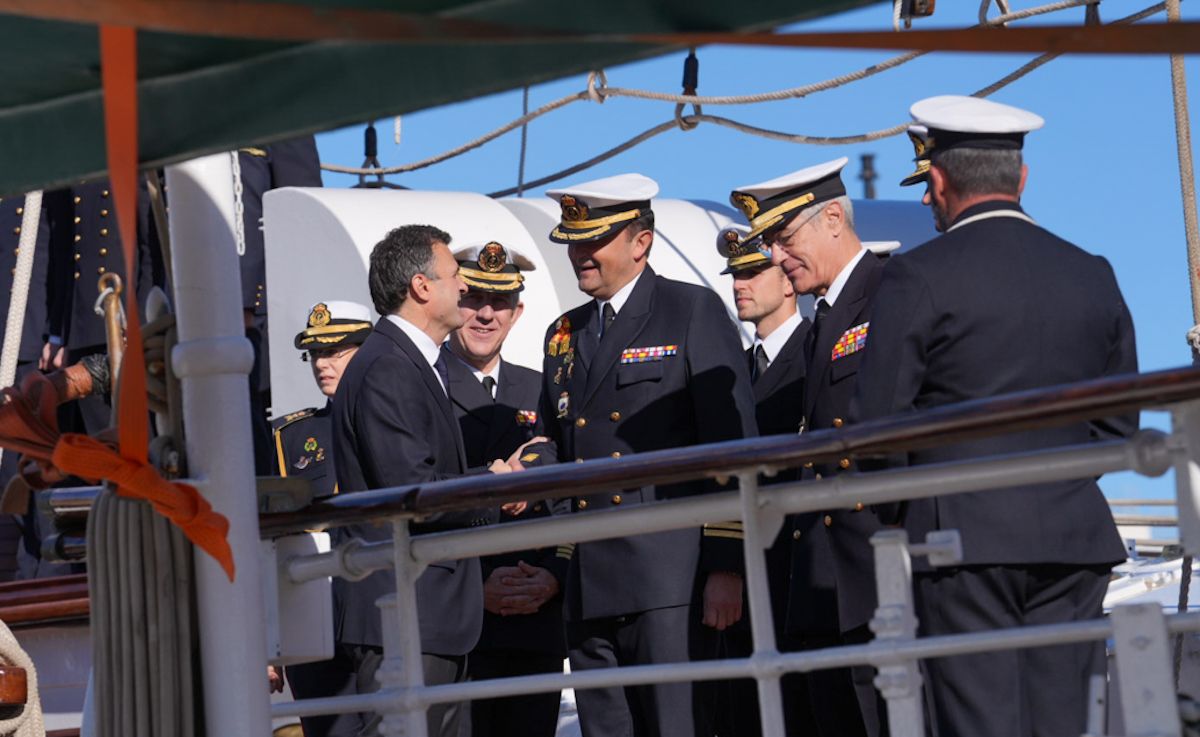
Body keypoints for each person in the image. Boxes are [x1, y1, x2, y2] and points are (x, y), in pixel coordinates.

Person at [849, 95, 1136, 737]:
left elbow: (879, 430)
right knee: (1064, 724)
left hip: (961, 540)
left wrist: (904, 508)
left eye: (927, 185)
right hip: (1074, 541)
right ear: (1021, 178)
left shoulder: (916, 277)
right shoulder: (1093, 274)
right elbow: (1119, 428)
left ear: (940, 179)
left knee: (978, 723)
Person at [538, 173, 757, 737]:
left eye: (594, 241)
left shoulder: (690, 311)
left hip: (670, 581)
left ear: (641, 242)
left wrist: (726, 565)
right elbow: (562, 456)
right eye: (573, 243)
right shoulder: (563, 333)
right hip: (590, 584)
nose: (580, 255)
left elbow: (730, 446)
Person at [329, 224, 506, 737]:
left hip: (426, 615)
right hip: (405, 615)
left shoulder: (407, 362)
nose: (465, 289)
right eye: (455, 276)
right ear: (422, 288)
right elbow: (413, 490)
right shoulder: (388, 366)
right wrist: (496, 484)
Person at [732, 157, 888, 737]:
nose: (775, 256)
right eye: (771, 242)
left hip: (876, 581)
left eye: (785, 237)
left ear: (832, 219)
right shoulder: (826, 318)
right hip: (823, 586)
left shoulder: (891, 294)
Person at [442, 240, 567, 737]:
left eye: (500, 304)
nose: (485, 315)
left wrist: (554, 575)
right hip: (460, 621)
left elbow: (572, 499)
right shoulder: (424, 386)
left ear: (518, 313)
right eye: (474, 300)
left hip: (536, 618)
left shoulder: (545, 389)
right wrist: (474, 589)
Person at [712, 224, 814, 737]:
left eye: (753, 272)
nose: (739, 285)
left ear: (789, 280)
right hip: (742, 581)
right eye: (735, 275)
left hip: (801, 574)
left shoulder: (816, 354)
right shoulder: (732, 372)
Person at [268, 300, 372, 737]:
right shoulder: (291, 437)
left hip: (383, 609)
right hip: (315, 622)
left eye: (335, 352)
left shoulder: (398, 423)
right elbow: (272, 541)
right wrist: (270, 641)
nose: (322, 365)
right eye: (315, 354)